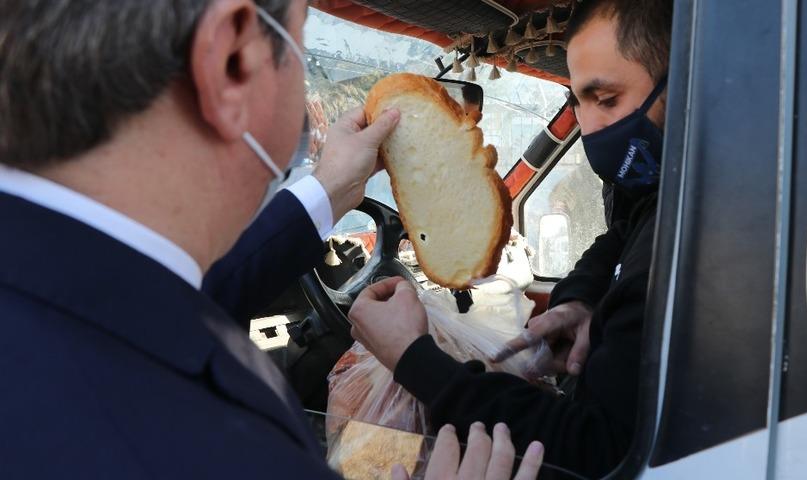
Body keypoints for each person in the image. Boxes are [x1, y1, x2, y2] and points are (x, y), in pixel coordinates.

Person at [0, 0, 542, 478]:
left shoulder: (60, 289)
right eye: (299, 44)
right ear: (232, 58)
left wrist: (330, 189)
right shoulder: (225, 450)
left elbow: (176, 298)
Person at [349, 0, 672, 477]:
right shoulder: (668, 200)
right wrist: (582, 298)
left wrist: (413, 359)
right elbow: (625, 232)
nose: (588, 128)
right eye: (577, 104)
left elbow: (600, 454)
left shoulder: (705, 244)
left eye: (605, 99)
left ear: (686, 86)